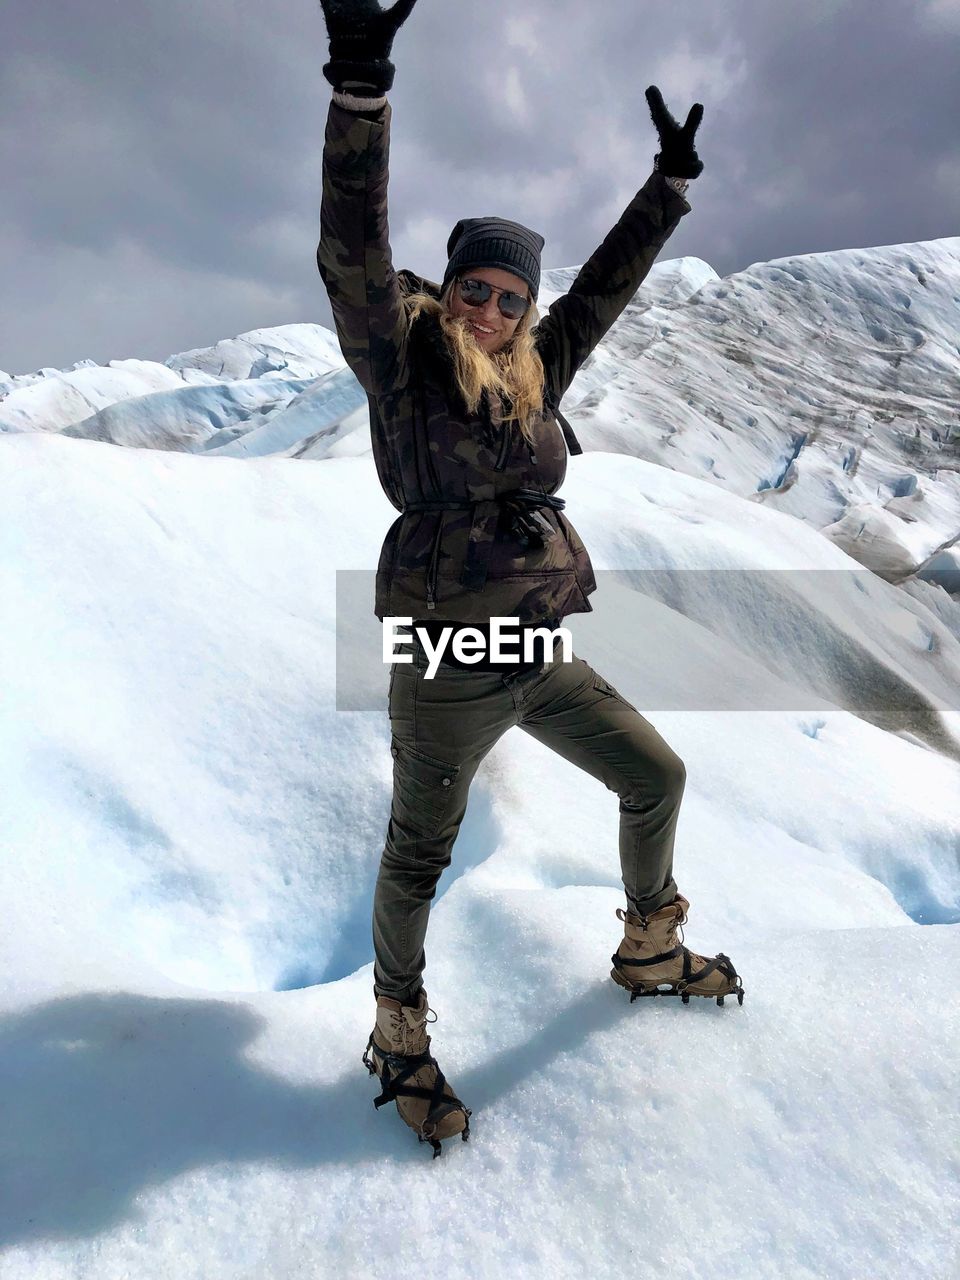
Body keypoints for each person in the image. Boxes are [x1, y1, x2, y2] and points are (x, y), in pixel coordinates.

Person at [316, 0, 743, 1158]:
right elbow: (350, 244)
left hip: (537, 653)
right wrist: (362, 89)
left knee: (656, 773)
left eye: (510, 296)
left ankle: (648, 943)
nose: (492, 308)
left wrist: (667, 190)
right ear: (450, 288)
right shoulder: (401, 362)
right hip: (453, 659)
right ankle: (397, 1029)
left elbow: (600, 289)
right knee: (419, 850)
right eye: (477, 288)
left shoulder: (532, 367)